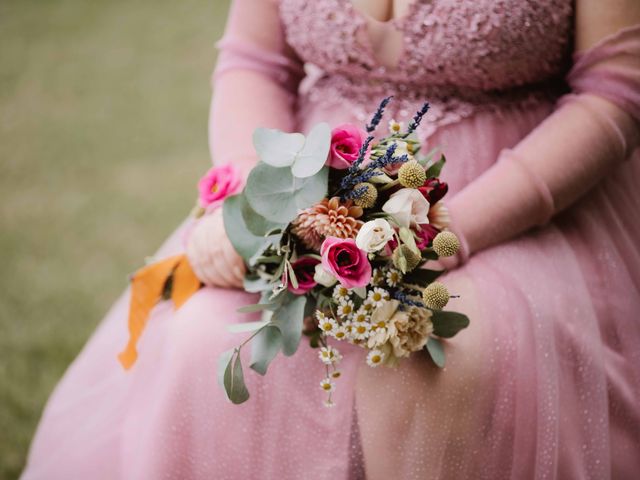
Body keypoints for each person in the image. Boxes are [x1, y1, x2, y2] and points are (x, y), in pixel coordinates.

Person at [21, 0, 640, 478]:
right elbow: (255, 62)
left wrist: (446, 231)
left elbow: (615, 91)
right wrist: (252, 206)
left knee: (435, 358)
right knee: (205, 338)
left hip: (518, 205)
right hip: (305, 196)